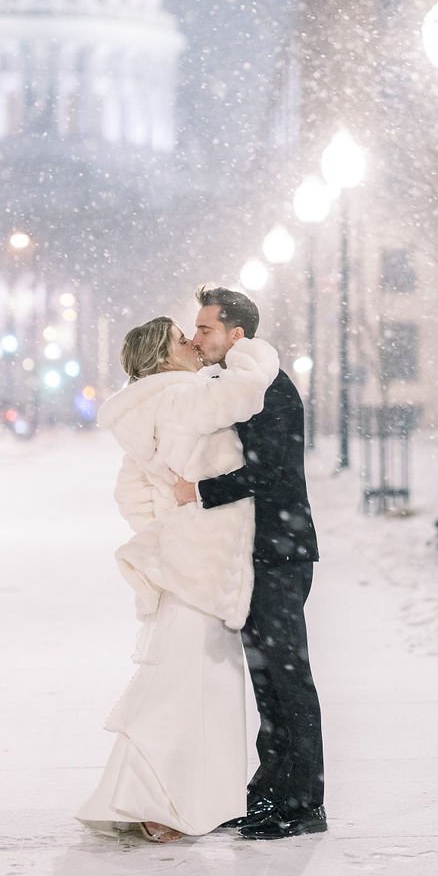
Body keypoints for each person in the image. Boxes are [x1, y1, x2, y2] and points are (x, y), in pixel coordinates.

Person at [77, 316, 279, 844]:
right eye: (180, 340)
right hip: (206, 561)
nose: (192, 342)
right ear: (163, 358)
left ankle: (152, 798)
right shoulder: (179, 397)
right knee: (190, 685)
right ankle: (158, 805)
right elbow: (243, 395)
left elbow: (132, 495)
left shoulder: (144, 410)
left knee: (181, 678)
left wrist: (168, 534)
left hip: (186, 559)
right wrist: (251, 352)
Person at [171, 284, 325, 841]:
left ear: (237, 334)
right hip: (261, 550)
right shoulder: (240, 384)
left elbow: (275, 472)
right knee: (268, 679)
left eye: (206, 328)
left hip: (281, 552)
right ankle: (269, 795)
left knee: (288, 680)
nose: (196, 336)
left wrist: (202, 490)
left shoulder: (269, 388)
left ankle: (303, 803)